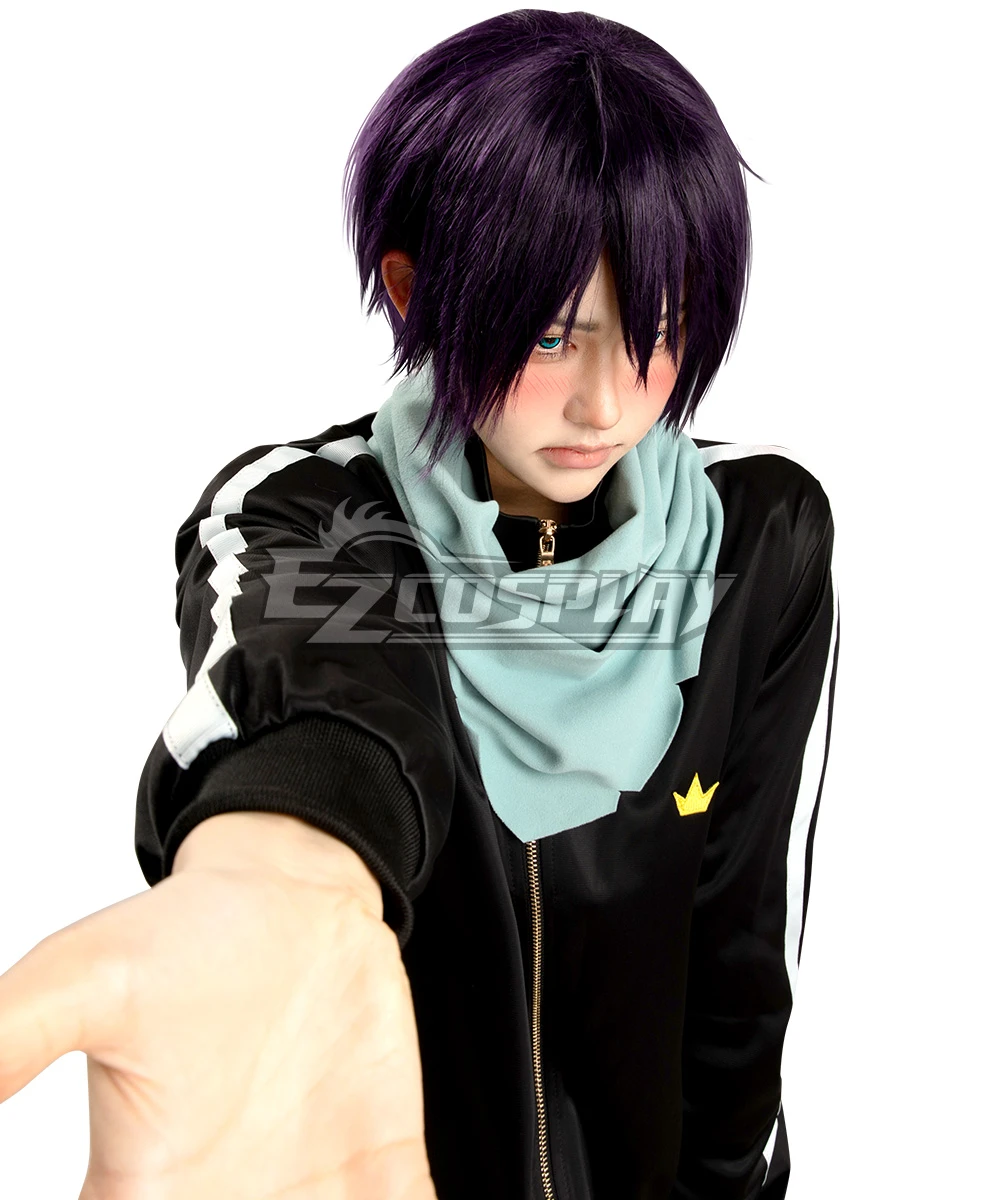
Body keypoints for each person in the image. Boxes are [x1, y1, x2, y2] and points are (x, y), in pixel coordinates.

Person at [0, 10, 839, 1199]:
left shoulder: (757, 536)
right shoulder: (309, 515)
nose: (606, 404)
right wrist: (279, 877)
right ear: (416, 292)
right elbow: (315, 701)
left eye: (655, 333)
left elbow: (743, 953)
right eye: (551, 336)